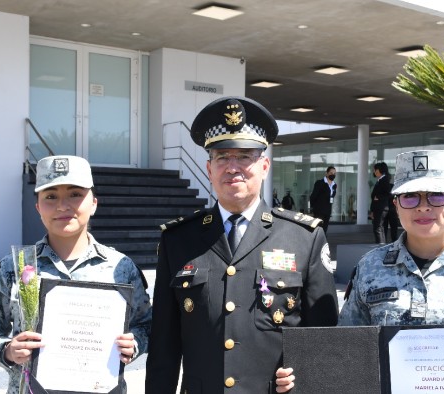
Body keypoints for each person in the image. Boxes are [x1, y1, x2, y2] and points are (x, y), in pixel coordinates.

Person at [277, 150, 444, 394]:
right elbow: (348, 343)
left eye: (437, 196)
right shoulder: (371, 267)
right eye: (410, 197)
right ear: (396, 204)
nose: (423, 207)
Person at [145, 96, 338, 394]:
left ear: (264, 166)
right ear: (209, 170)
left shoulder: (304, 237)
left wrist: (304, 377)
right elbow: (163, 347)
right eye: (222, 157)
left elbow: (324, 341)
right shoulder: (178, 239)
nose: (232, 167)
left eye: (245, 156)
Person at [0, 155, 152, 394]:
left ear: (93, 203)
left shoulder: (122, 268)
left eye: (75, 194)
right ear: (38, 207)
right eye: (50, 197)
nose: (63, 205)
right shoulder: (14, 268)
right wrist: (8, 350)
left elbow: (147, 326)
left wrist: (134, 343)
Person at [370, 162, 399, 243]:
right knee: (381, 228)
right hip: (380, 207)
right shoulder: (380, 180)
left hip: (383, 207)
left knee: (379, 228)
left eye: (375, 170)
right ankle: (382, 245)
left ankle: (381, 245)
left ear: (378, 170)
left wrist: (378, 197)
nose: (374, 172)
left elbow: (388, 193)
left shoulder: (384, 180)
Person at [310, 166, 337, 234]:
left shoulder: (334, 185)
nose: (333, 175)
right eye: (331, 173)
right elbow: (313, 196)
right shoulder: (320, 183)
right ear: (327, 173)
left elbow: (331, 197)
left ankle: (322, 243)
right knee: (318, 229)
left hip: (327, 211)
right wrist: (313, 208)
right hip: (319, 211)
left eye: (334, 173)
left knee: (324, 230)